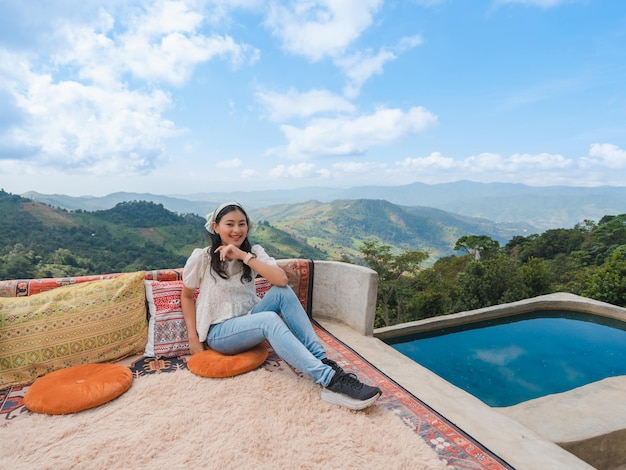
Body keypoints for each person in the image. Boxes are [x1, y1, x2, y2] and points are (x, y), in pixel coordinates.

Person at [180, 202, 381, 410]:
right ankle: (329, 381)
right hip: (220, 333)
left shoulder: (254, 253)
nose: (237, 230)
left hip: (249, 319)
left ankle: (324, 361)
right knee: (268, 320)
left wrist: (243, 256)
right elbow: (186, 296)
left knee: (281, 292)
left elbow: (281, 280)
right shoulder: (202, 258)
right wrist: (193, 338)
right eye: (229, 224)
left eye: (242, 224)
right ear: (215, 226)